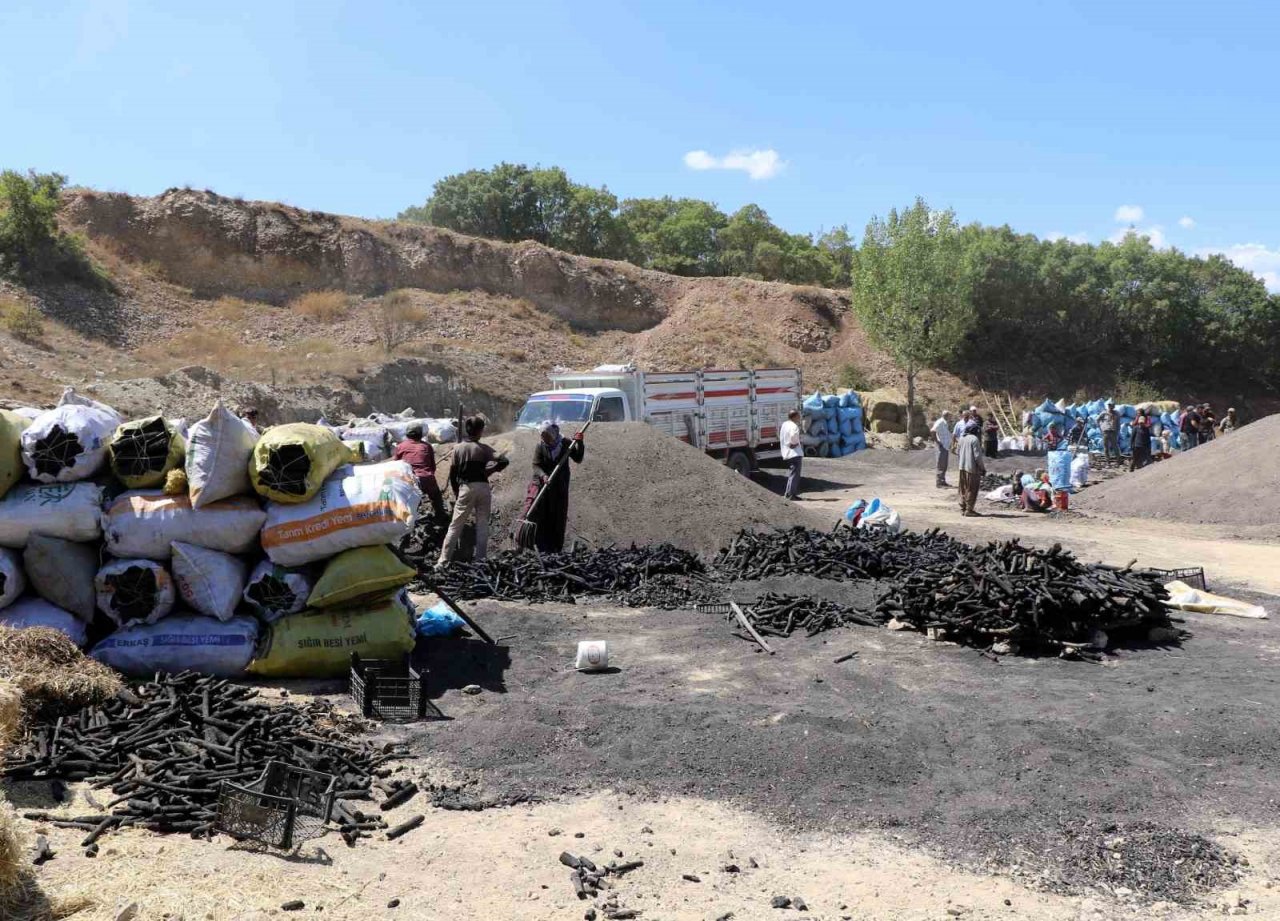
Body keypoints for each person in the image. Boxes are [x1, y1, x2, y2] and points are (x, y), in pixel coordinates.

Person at [436, 416, 509, 567]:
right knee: (482, 525)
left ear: (467, 430)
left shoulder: (457, 449)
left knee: (455, 525)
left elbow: (453, 474)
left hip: (466, 487)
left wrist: (457, 492)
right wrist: (491, 470)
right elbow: (503, 460)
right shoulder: (484, 448)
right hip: (483, 488)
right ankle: (480, 560)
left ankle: (443, 562)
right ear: (481, 431)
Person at [522, 422, 586, 553]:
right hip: (545, 486)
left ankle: (557, 548)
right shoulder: (540, 446)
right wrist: (543, 475)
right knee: (544, 515)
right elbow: (536, 465)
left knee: (559, 516)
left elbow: (578, 458)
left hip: (560, 486)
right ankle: (542, 548)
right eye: (542, 437)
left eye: (547, 437)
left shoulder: (566, 443)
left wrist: (580, 443)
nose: (545, 440)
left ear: (554, 435)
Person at [393, 424, 446, 519]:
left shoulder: (400, 447)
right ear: (420, 435)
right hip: (426, 477)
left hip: (409, 480)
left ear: (407, 435)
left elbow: (395, 466)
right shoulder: (426, 446)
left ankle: (408, 519)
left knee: (408, 502)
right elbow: (432, 467)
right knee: (436, 496)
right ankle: (440, 515)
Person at [956, 420, 985, 517]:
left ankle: (963, 508)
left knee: (963, 488)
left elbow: (957, 452)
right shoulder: (974, 439)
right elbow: (977, 456)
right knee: (972, 489)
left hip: (962, 468)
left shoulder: (961, 438)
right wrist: (982, 468)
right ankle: (969, 510)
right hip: (972, 469)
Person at [779, 409, 803, 500]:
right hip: (794, 453)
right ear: (795, 416)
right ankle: (791, 494)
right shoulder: (794, 426)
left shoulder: (785, 424)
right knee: (795, 474)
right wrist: (795, 443)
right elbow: (794, 437)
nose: (799, 418)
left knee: (792, 473)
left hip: (786, 452)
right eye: (798, 416)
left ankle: (788, 493)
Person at [931, 410, 953, 488]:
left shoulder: (945, 422)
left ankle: (942, 481)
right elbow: (933, 431)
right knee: (940, 464)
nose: (950, 417)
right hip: (941, 446)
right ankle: (939, 483)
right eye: (949, 416)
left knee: (944, 464)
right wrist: (937, 441)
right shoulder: (940, 422)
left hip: (945, 446)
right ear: (946, 415)